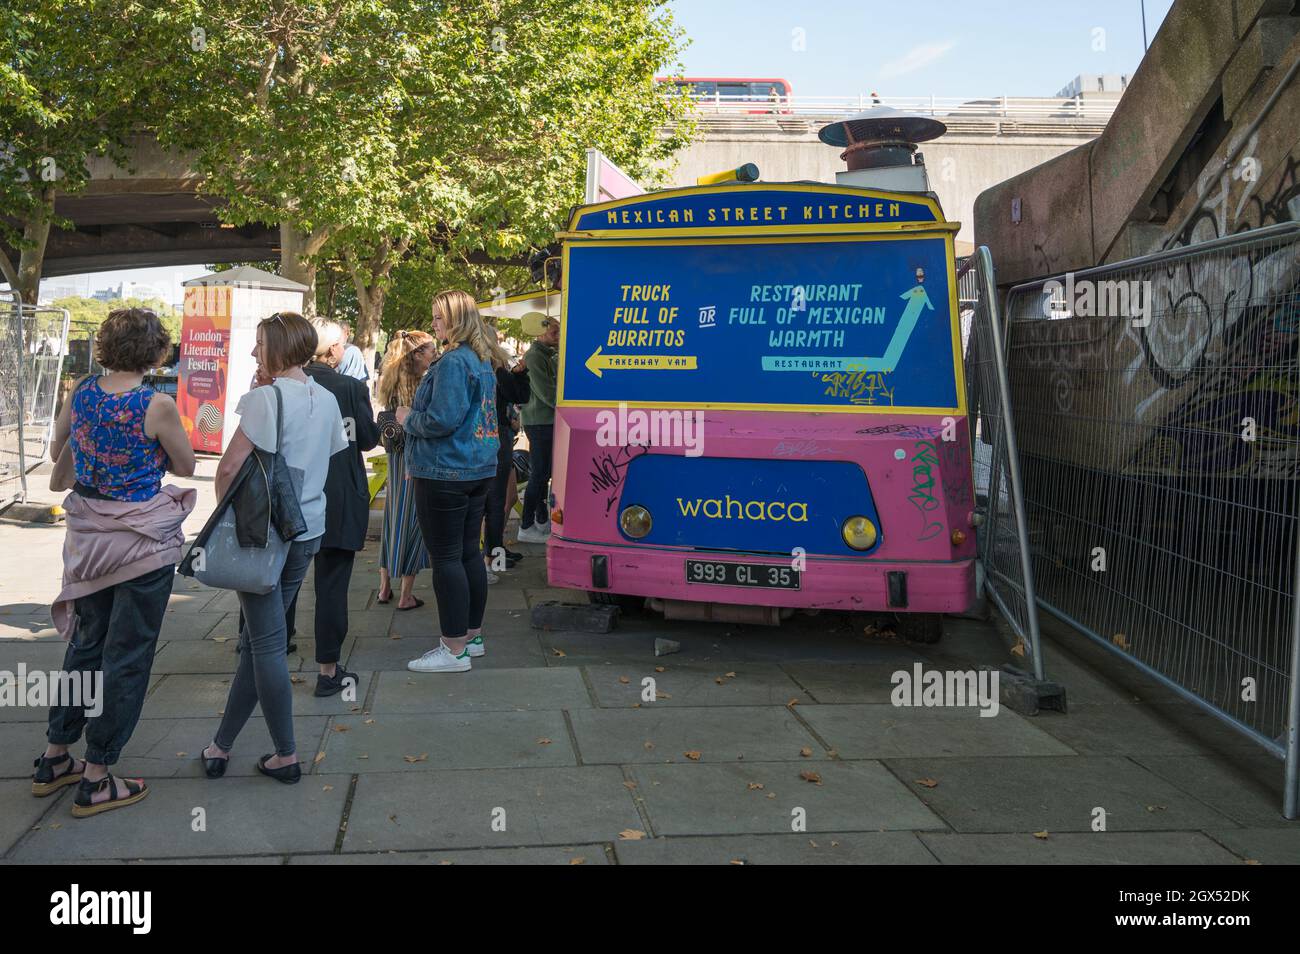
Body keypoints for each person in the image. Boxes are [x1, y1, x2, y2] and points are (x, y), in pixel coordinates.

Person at [34, 307, 196, 817]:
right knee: (127, 655)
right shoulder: (156, 403)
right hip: (139, 545)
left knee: (86, 645)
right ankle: (98, 775)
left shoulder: (81, 392)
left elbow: (60, 446)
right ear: (155, 351)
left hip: (88, 542)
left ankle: (56, 755)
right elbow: (188, 464)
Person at [200, 312, 347, 784]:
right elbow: (327, 455)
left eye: (259, 343)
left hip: (265, 536)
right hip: (308, 532)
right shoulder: (326, 397)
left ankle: (286, 754)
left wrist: (224, 516)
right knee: (257, 644)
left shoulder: (264, 399)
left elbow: (228, 469)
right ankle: (221, 744)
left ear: (278, 349)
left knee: (265, 646)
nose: (252, 351)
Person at [398, 290, 503, 673]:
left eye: (440, 318)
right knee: (467, 554)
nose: (434, 325)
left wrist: (407, 416)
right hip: (476, 469)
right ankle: (471, 638)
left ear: (457, 319)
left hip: (445, 471)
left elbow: (442, 419)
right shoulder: (480, 359)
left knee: (446, 558)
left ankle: (453, 649)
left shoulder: (453, 363)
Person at [287, 318, 381, 696]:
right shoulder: (348, 386)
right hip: (339, 493)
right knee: (332, 584)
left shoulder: (282, 385)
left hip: (291, 494)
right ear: (330, 350)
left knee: (284, 581)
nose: (345, 350)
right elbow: (366, 439)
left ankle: (271, 648)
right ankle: (328, 669)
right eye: (342, 344)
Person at [375, 331, 435, 609]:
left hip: (394, 456)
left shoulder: (390, 381)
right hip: (416, 458)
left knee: (392, 518)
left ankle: (384, 588)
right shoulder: (423, 385)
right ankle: (406, 595)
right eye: (431, 351)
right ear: (418, 354)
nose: (434, 355)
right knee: (414, 522)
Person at [483, 329, 531, 582]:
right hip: (497, 439)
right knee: (495, 501)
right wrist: (521, 375)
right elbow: (520, 395)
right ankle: (490, 559)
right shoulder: (495, 369)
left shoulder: (468, 364)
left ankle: (493, 554)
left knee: (493, 499)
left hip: (478, 439)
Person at [516, 316, 559, 544]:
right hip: (539, 421)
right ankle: (526, 524)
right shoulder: (535, 356)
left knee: (544, 474)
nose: (558, 337)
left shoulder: (547, 355)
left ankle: (540, 519)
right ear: (540, 333)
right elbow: (547, 393)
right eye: (554, 333)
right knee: (539, 474)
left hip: (545, 420)